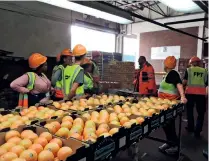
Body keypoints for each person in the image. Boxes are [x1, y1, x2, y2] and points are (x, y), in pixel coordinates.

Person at [158, 56, 187, 155]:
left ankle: (174, 146)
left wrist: (183, 96)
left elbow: (179, 84)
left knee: (169, 126)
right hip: (165, 105)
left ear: (166, 64)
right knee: (166, 125)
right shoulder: (168, 74)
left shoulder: (173, 73)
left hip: (170, 105)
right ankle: (169, 142)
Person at [183, 56, 208, 137]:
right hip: (201, 95)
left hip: (190, 94)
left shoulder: (189, 70)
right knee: (201, 113)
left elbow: (184, 82)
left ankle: (190, 127)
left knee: (189, 111)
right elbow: (206, 83)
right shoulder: (204, 71)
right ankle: (198, 131)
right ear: (199, 63)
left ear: (192, 63)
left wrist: (182, 91)